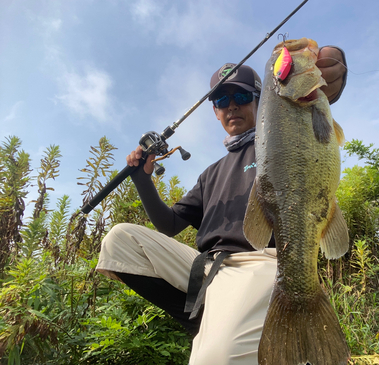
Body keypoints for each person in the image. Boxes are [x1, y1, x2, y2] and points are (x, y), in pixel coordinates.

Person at [96, 45, 347, 364]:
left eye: (241, 97)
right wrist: (142, 180)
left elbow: (321, 94)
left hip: (259, 260)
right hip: (205, 267)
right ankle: (206, 317)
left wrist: (330, 69)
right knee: (119, 241)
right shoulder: (210, 174)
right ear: (214, 110)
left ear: (261, 101)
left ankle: (235, 326)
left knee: (215, 359)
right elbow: (169, 225)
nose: (231, 107)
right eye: (221, 100)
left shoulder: (277, 136)